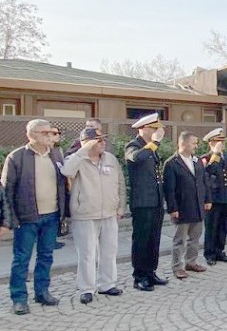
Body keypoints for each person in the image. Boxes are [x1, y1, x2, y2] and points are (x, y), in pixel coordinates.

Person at [1, 119, 68, 315]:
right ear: (32, 135)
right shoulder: (17, 157)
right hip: (26, 218)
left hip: (52, 215)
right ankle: (19, 298)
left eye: (50, 132)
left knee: (46, 256)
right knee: (21, 259)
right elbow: (6, 191)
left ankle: (42, 292)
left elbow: (63, 185)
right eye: (45, 133)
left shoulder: (56, 155)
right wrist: (8, 220)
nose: (50, 135)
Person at [61, 127, 126, 304]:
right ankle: (87, 288)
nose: (103, 142)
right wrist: (84, 149)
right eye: (98, 140)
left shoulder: (110, 159)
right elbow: (66, 171)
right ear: (86, 142)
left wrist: (121, 206)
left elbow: (120, 183)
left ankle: (107, 284)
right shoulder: (77, 159)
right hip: (85, 214)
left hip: (109, 213)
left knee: (109, 251)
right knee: (87, 254)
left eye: (103, 139)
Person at [125, 113, 169, 291]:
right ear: (144, 128)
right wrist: (155, 143)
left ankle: (151, 271)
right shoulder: (133, 145)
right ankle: (140, 276)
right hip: (142, 202)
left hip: (155, 201)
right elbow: (136, 158)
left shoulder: (151, 148)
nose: (158, 132)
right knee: (142, 240)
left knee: (154, 239)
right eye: (154, 128)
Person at [164, 131, 210, 279]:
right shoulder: (172, 163)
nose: (196, 146)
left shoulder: (197, 161)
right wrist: (173, 208)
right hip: (182, 208)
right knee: (180, 240)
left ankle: (191, 262)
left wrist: (207, 199)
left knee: (195, 238)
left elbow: (204, 182)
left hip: (197, 206)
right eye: (193, 143)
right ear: (183, 143)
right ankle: (177, 266)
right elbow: (169, 189)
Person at [200, 128, 227, 266]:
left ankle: (219, 250)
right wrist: (215, 153)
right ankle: (209, 253)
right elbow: (210, 171)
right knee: (212, 227)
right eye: (219, 142)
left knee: (223, 226)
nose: (222, 144)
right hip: (214, 198)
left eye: (222, 142)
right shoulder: (205, 158)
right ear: (211, 143)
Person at [49, 126, 67, 250]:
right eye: (55, 133)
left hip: (59, 188)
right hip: (48, 190)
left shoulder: (57, 150)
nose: (58, 135)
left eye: (59, 133)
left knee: (56, 215)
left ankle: (53, 239)